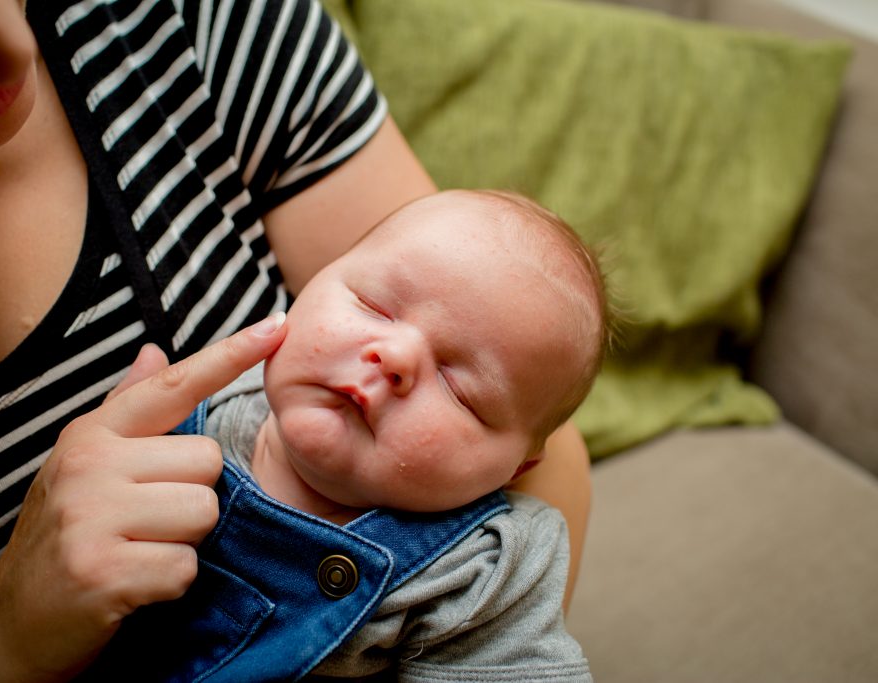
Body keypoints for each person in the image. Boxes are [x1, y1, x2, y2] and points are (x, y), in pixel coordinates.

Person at [0, 1, 592, 680]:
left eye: (461, 390)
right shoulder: (201, 420)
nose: (6, 48)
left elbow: (539, 414)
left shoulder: (482, 570)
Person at [87, 188, 604, 681]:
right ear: (308, 287)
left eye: (459, 388)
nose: (394, 355)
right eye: (374, 305)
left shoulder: (485, 572)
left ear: (516, 470)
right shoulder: (177, 418)